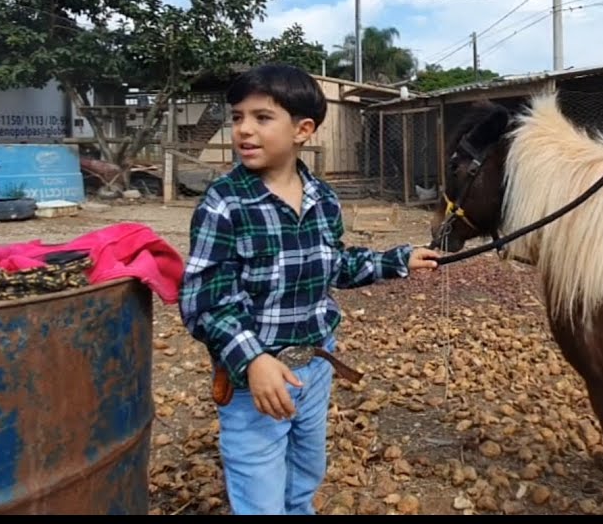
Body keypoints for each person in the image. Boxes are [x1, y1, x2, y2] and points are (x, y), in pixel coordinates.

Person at [179, 63, 440, 515]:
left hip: (315, 365)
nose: (244, 129)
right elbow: (204, 300)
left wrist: (397, 260)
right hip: (253, 379)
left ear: (303, 130)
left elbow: (333, 264)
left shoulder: (323, 197)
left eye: (262, 118)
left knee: (305, 474)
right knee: (260, 493)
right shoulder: (225, 203)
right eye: (238, 116)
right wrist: (254, 359)